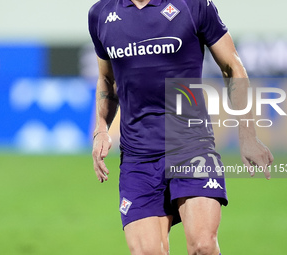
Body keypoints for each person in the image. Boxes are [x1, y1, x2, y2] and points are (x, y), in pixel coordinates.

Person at [89, 0, 274, 254]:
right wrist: (101, 129)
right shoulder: (101, 14)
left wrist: (248, 134)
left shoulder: (193, 4)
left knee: (203, 246)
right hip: (138, 157)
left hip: (191, 145)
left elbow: (233, 67)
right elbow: (106, 78)